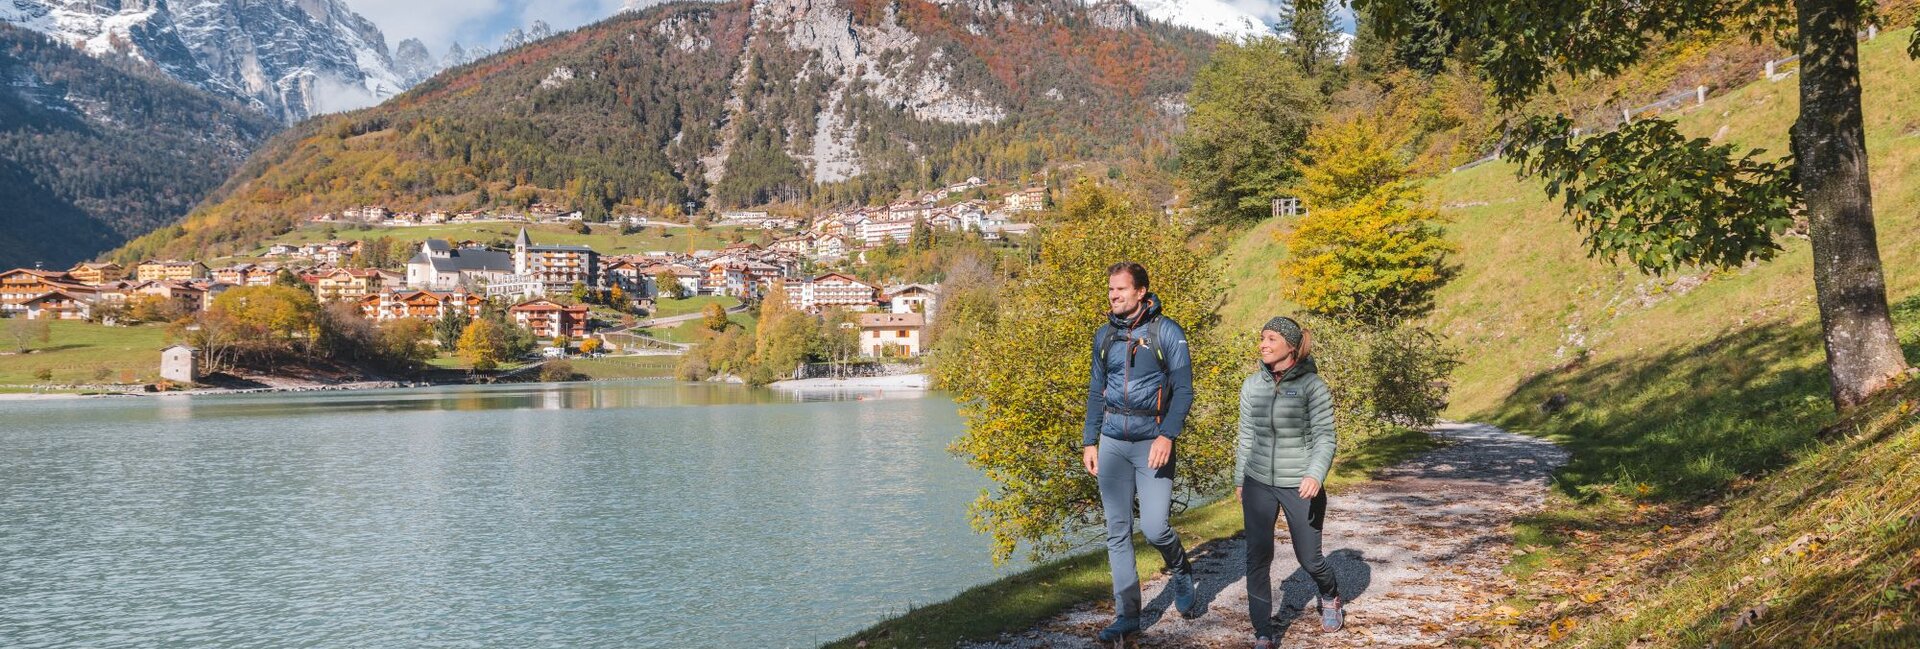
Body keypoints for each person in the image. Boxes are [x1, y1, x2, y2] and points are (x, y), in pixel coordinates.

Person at [1081, 261, 1201, 643]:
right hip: (1114, 442)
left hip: (1153, 441)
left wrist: (1168, 435)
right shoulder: (1104, 337)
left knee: (1154, 527)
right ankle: (1127, 615)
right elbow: (1095, 391)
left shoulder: (1167, 332)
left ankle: (1180, 571)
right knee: (1117, 531)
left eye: (1120, 289)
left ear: (1141, 292)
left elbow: (1183, 390)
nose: (1113, 295)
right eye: (1110, 289)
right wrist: (1090, 440)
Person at [1236, 316, 1343, 649]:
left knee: (1309, 559)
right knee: (1257, 557)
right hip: (1258, 482)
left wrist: (1315, 473)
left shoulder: (1313, 386)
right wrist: (1240, 478)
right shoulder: (1253, 385)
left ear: (1290, 346)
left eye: (1271, 338)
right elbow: (1246, 435)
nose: (1263, 344)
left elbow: (1326, 437)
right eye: (1262, 338)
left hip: (1300, 483)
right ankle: (1263, 634)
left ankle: (1330, 594)